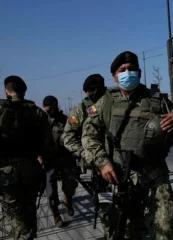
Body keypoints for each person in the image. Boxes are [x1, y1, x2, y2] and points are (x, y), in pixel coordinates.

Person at [82, 51, 173, 239]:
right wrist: (102, 163)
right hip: (118, 177)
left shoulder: (156, 99)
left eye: (132, 69)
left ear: (139, 73)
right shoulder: (105, 102)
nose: (127, 72)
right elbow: (88, 136)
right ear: (115, 76)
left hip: (154, 175)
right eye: (122, 70)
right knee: (120, 231)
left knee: (165, 229)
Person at [0, 76, 56, 240]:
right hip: (31, 171)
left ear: (6, 91)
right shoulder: (37, 112)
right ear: (24, 91)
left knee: (19, 221)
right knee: (29, 215)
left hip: (6, 175)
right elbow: (49, 147)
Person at [43, 95, 78, 228]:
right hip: (49, 161)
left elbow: (73, 135)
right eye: (46, 108)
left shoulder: (65, 120)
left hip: (65, 157)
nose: (48, 111)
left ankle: (68, 199)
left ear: (56, 105)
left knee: (71, 184)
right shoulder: (43, 121)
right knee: (51, 190)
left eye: (50, 108)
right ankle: (56, 215)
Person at [62, 73, 109, 171]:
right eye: (92, 89)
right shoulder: (79, 111)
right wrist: (84, 153)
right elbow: (68, 137)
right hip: (92, 160)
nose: (96, 92)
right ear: (85, 92)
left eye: (99, 89)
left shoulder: (111, 105)